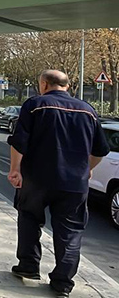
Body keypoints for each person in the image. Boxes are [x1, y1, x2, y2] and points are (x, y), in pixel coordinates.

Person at [7, 70, 110, 297]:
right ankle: (62, 282)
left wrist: (15, 170)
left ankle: (29, 267)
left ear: (43, 84)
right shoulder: (88, 111)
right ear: (69, 85)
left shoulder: (35, 105)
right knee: (70, 231)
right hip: (74, 184)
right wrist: (88, 170)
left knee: (29, 219)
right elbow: (100, 150)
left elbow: (19, 142)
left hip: (36, 179)